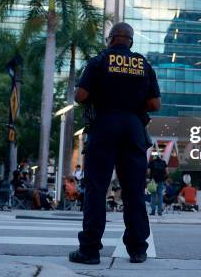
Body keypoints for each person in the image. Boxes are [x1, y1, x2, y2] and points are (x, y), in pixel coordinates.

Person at [69, 22, 161, 265]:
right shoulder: (143, 64)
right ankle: (138, 249)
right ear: (130, 41)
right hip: (133, 128)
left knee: (96, 189)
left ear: (111, 39)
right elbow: (155, 105)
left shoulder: (98, 61)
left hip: (104, 126)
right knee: (134, 192)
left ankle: (89, 251)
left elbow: (80, 96)